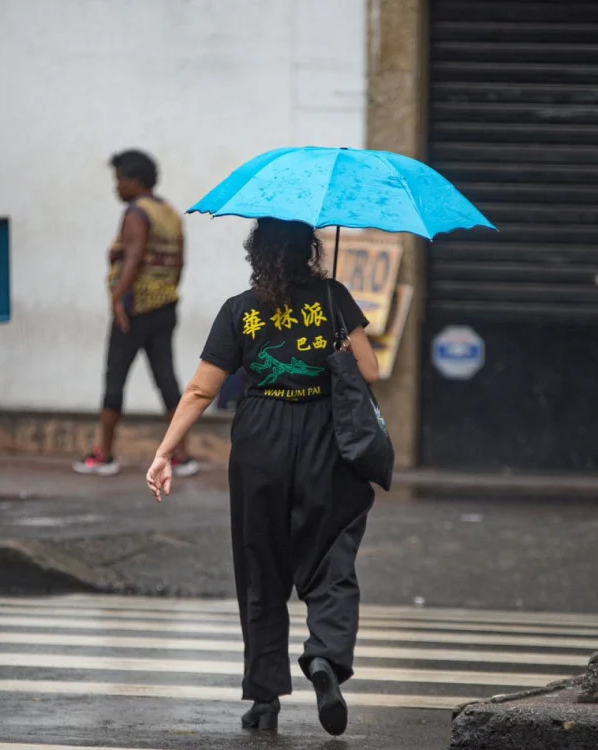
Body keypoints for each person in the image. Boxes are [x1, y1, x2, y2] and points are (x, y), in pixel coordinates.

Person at [146, 218, 380, 736]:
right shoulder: (334, 298)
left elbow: (201, 391)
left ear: (258, 254)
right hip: (325, 438)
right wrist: (340, 351)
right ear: (308, 250)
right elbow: (370, 372)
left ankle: (264, 698)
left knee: (260, 567)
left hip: (260, 444)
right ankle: (326, 657)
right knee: (331, 556)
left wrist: (164, 452)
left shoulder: (240, 310)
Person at [74, 149, 199, 478]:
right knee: (166, 379)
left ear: (134, 180)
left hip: (134, 310)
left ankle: (104, 454)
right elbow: (179, 263)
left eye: (119, 180)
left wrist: (118, 299)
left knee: (115, 378)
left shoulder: (136, 213)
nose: (116, 187)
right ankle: (182, 455)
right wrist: (166, 294)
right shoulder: (170, 213)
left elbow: (134, 257)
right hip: (165, 307)